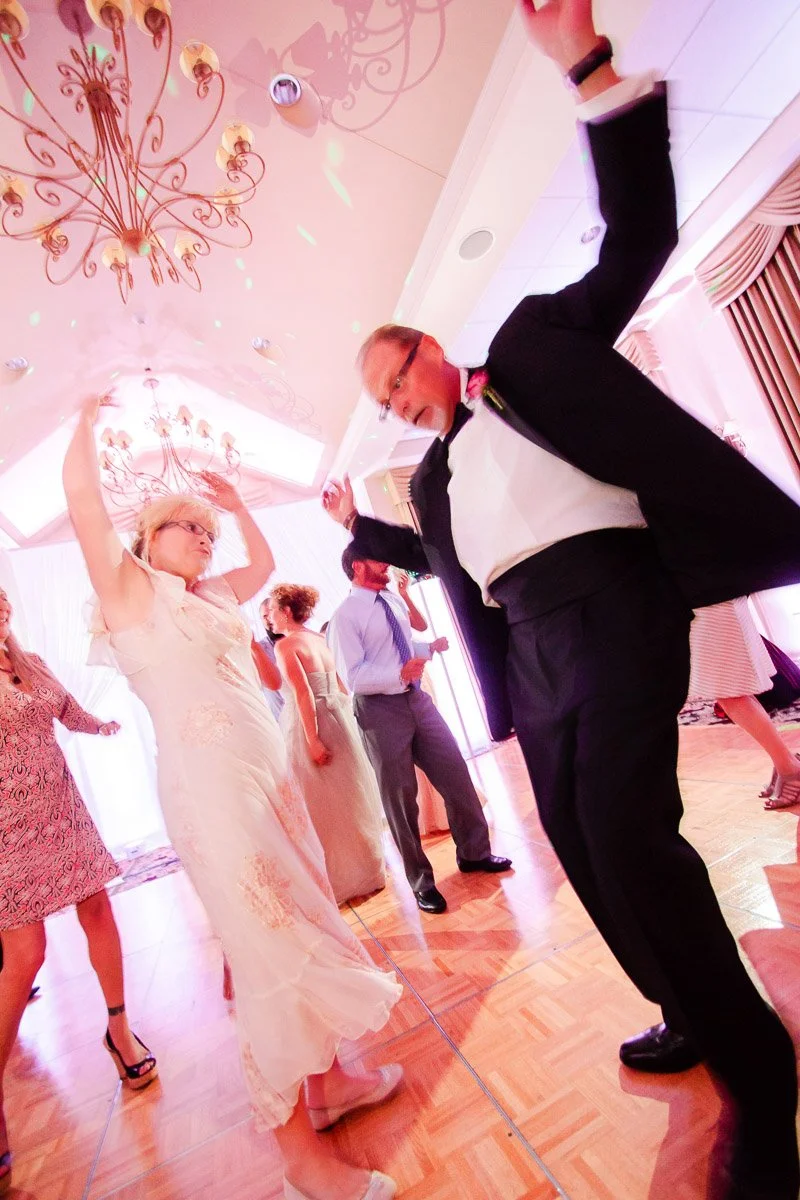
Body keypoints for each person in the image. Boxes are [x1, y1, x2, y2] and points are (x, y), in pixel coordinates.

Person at [322, 1, 800, 1193]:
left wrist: (582, 67)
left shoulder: (533, 348)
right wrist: (354, 532)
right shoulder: (432, 474)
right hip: (530, 656)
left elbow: (635, 233)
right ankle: (686, 1007)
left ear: (430, 346)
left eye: (392, 374)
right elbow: (436, 554)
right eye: (377, 397)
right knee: (586, 849)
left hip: (613, 605)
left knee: (634, 834)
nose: (391, 399)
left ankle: (762, 1075)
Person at [63, 401, 402, 1200]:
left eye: (208, 533)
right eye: (190, 529)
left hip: (270, 784)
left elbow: (261, 564)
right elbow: (82, 505)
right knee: (265, 951)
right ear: (149, 538)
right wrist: (83, 410)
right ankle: (301, 1167)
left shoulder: (213, 598)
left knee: (306, 920)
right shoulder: (131, 594)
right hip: (213, 797)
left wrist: (237, 504)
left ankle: (328, 1089)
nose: (205, 541)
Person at [0, 587, 157, 1196]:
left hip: (62, 810)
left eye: (5, 607)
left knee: (99, 910)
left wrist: (103, 724)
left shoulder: (31, 662)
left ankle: (120, 1030)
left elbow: (65, 710)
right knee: (27, 955)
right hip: (8, 829)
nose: (3, 616)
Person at [327, 548, 511, 915]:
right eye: (377, 559)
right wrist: (399, 673)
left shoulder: (392, 600)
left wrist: (427, 648)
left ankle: (475, 854)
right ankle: (421, 883)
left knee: (456, 776)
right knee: (400, 800)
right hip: (379, 712)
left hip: (417, 700)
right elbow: (353, 677)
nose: (386, 563)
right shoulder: (344, 616)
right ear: (357, 566)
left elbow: (400, 645)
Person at [267, 583, 385, 904]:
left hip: (312, 723)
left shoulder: (287, 645)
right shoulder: (319, 639)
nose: (269, 619)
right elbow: (341, 685)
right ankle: (368, 869)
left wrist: (313, 740)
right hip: (339, 717)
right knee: (349, 795)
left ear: (288, 612)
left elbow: (304, 694)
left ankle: (338, 878)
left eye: (273, 611)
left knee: (319, 803)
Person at [689, 599, 800, 809]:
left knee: (727, 687)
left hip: (705, 592)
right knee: (729, 687)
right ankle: (785, 762)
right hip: (702, 590)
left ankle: (790, 769)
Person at [254, 598, 285, 723]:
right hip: (281, 719)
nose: (269, 619)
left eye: (272, 614)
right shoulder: (259, 650)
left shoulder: (300, 641)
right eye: (265, 616)